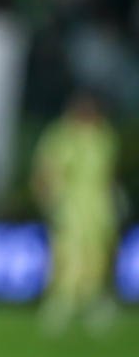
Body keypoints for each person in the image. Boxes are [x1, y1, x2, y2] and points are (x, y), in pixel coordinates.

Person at [31, 89, 120, 336]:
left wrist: (114, 199)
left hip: (98, 206)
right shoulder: (61, 136)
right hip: (70, 206)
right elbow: (45, 171)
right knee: (68, 254)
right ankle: (62, 303)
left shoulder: (103, 135)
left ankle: (94, 300)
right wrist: (49, 201)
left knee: (98, 253)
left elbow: (108, 172)